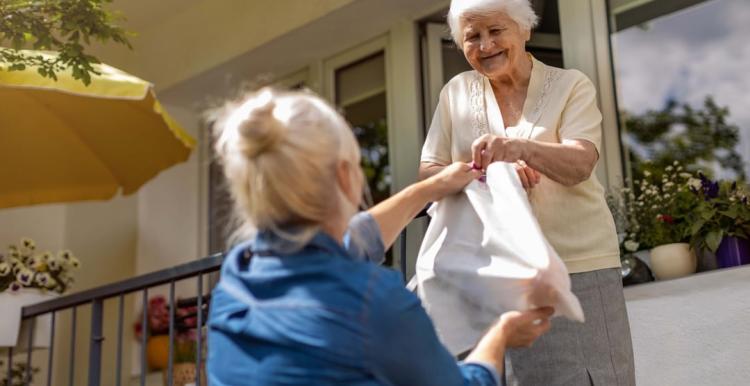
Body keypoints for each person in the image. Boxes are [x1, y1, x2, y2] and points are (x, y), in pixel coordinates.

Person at [206, 88, 553, 386]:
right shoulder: (372, 299)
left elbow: (347, 245)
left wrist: (428, 189)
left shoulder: (235, 281)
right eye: (357, 164)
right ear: (345, 176)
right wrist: (500, 333)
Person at [418, 1, 635, 385]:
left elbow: (580, 163)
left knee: (595, 377)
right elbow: (429, 172)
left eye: (495, 31)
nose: (485, 45)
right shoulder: (455, 94)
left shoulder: (571, 85)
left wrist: (519, 149)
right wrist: (487, 172)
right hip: (490, 272)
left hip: (577, 266)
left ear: (525, 29)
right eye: (473, 36)